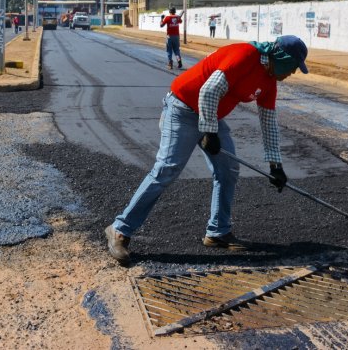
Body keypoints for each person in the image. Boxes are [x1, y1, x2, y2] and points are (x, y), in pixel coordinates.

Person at [105, 35, 310, 266]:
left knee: (228, 170)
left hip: (211, 115)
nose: (292, 73)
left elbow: (269, 123)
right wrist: (210, 132)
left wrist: (276, 165)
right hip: (182, 109)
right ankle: (120, 229)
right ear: (282, 58)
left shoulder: (269, 82)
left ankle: (217, 232)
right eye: (293, 67)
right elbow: (209, 91)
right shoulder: (245, 55)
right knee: (167, 169)